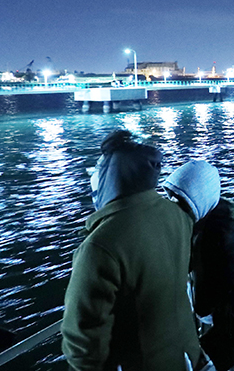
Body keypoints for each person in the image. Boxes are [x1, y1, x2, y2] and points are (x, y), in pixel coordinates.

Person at [61, 130, 200, 371]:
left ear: (113, 175)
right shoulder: (176, 216)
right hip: (187, 356)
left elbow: (83, 346)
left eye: (99, 168)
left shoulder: (100, 245)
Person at [163, 161, 234, 371]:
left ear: (198, 199)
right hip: (221, 311)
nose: (171, 202)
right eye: (169, 195)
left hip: (229, 315)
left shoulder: (220, 234)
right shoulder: (204, 224)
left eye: (179, 198)